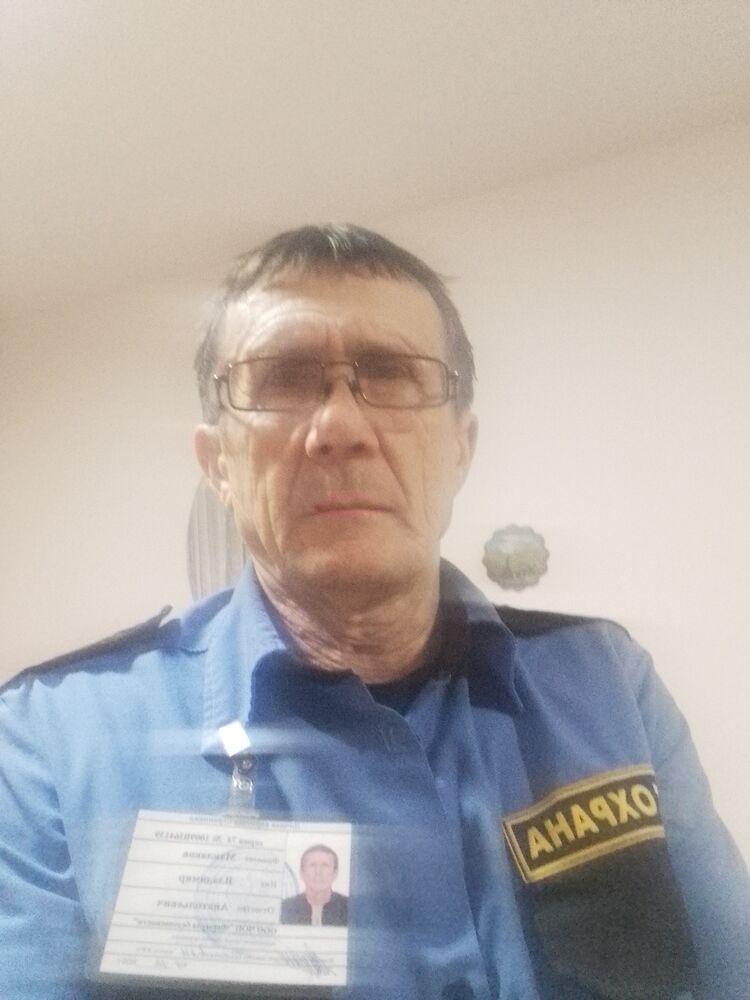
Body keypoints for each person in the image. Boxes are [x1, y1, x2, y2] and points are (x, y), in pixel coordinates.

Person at [0, 224, 748, 1000]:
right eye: (283, 380)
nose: (342, 428)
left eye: (392, 374)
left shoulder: (607, 683)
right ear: (217, 464)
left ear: (460, 448)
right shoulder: (50, 741)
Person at [280, 844, 349, 926]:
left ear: (335, 873)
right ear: (302, 873)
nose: (318, 872)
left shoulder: (350, 908)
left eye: (325, 865)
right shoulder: (284, 909)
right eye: (312, 865)